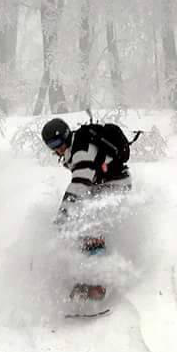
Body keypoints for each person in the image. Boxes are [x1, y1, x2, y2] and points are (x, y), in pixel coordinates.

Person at [41, 116, 133, 302]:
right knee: (83, 229)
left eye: (58, 142)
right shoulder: (74, 147)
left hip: (114, 187)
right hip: (102, 187)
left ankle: (99, 283)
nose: (57, 148)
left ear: (66, 136)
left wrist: (63, 212)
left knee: (91, 229)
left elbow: (80, 183)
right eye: (52, 146)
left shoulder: (81, 151)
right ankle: (88, 277)